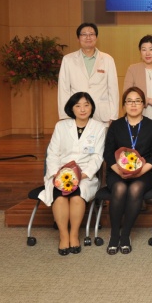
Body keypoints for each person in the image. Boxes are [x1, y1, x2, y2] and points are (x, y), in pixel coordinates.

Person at [40, 92, 106, 255]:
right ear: (72, 108)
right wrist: (57, 175)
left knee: (77, 197)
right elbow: (52, 153)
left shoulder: (98, 128)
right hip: (60, 172)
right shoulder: (61, 126)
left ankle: (74, 235)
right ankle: (63, 236)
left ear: (91, 107)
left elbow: (97, 157)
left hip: (84, 174)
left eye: (86, 105)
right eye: (78, 105)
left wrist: (82, 175)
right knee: (60, 197)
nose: (82, 109)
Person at [103, 87, 152, 255]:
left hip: (144, 173)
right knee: (120, 187)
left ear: (143, 104)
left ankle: (125, 236)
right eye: (129, 101)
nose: (134, 105)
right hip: (117, 172)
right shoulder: (116, 125)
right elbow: (108, 153)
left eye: (137, 101)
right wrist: (119, 171)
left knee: (135, 188)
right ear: (124, 105)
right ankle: (115, 234)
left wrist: (140, 171)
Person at [58, 23, 119, 125]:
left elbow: (113, 89)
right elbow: (64, 89)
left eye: (91, 34)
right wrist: (65, 116)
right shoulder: (68, 60)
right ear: (78, 38)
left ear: (96, 38)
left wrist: (114, 116)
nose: (88, 37)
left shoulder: (108, 59)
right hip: (77, 113)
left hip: (102, 114)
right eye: (84, 34)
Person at [123, 34, 152, 141]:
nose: (147, 53)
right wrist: (150, 100)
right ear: (140, 51)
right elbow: (126, 93)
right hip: (138, 118)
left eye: (151, 49)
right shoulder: (133, 69)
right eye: (144, 49)